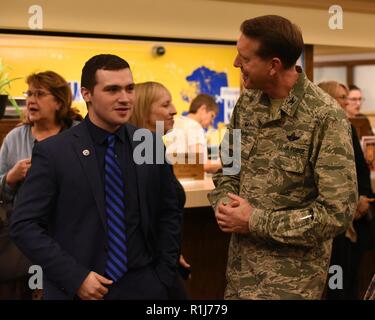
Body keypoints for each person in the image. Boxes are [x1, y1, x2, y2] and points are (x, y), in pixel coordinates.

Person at [208, 15, 358, 300]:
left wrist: (255, 221)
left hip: (291, 284)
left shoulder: (325, 117)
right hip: (240, 276)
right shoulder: (248, 104)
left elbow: (336, 214)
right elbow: (229, 168)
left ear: (274, 65)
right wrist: (225, 205)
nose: (235, 64)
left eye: (244, 58)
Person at [10, 54, 182, 300]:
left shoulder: (148, 144)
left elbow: (169, 211)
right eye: (112, 90)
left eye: (129, 89)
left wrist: (162, 275)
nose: (124, 98)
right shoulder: (54, 151)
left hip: (143, 285)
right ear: (87, 94)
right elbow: (24, 225)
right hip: (78, 288)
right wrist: (75, 277)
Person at [0, 70, 81, 299]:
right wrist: (10, 178)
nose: (31, 100)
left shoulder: (79, 135)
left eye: (39, 94)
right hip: (26, 241)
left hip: (72, 236)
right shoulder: (15, 137)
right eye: (29, 94)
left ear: (58, 101)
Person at [129, 81, 190, 299]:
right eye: (165, 105)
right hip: (149, 272)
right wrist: (164, 265)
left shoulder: (150, 144)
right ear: (144, 111)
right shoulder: (147, 146)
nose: (173, 110)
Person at [318, 80, 375, 300]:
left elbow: (359, 168)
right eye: (343, 98)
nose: (347, 102)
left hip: (355, 220)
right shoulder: (320, 128)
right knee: (336, 279)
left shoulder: (348, 127)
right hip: (333, 221)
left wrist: (362, 198)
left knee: (352, 277)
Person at [168, 94, 221, 173]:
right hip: (191, 182)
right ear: (203, 109)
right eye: (212, 116)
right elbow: (199, 164)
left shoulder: (176, 122)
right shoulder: (195, 127)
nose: (212, 122)